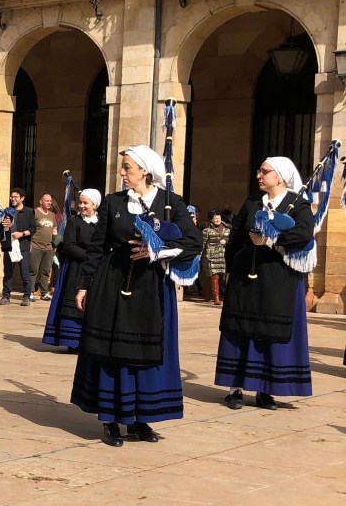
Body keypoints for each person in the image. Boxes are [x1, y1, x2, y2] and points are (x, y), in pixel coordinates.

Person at [71, 147, 201, 446]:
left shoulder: (171, 203)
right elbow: (97, 247)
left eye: (127, 167)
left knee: (147, 352)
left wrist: (157, 251)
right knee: (112, 350)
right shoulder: (114, 202)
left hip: (152, 285)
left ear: (145, 170)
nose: (122, 172)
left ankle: (142, 419)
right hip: (112, 282)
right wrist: (84, 284)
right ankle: (112, 420)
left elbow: (192, 242)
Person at [215, 157, 314, 410]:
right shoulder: (251, 203)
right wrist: (231, 267)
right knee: (239, 329)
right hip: (245, 277)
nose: (259, 175)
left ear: (280, 176)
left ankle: (264, 390)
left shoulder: (297, 204)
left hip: (277, 279)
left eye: (264, 171)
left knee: (268, 334)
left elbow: (303, 234)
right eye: (259, 170)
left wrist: (272, 239)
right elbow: (237, 236)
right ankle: (234, 389)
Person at [42, 190, 100, 352]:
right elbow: (68, 245)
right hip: (76, 267)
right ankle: (72, 341)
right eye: (80, 203)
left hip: (96, 268)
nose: (81, 206)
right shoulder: (74, 222)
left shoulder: (101, 223)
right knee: (74, 303)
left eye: (85, 203)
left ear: (94, 205)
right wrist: (90, 256)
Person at [0, 187, 34, 305]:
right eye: (12, 197)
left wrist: (22, 234)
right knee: (8, 272)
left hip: (23, 246)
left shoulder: (28, 212)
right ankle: (6, 296)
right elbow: (0, 228)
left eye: (16, 197)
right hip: (9, 246)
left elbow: (33, 229)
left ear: (22, 198)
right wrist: (3, 226)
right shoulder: (7, 211)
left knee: (25, 272)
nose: (13, 199)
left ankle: (26, 296)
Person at [31, 193, 60, 300]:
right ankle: (30, 292)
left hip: (48, 247)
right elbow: (31, 228)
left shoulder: (52, 215)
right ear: (41, 201)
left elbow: (54, 229)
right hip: (36, 245)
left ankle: (44, 292)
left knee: (46, 270)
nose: (49, 203)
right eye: (47, 201)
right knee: (33, 269)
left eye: (50, 201)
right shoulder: (35, 212)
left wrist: (55, 243)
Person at [200, 209, 229, 306]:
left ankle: (206, 293)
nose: (217, 220)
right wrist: (199, 256)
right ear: (211, 220)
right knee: (214, 276)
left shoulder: (228, 229)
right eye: (215, 218)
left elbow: (232, 241)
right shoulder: (206, 231)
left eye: (219, 218)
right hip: (211, 256)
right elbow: (203, 245)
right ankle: (216, 297)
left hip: (223, 256)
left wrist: (226, 242)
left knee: (216, 277)